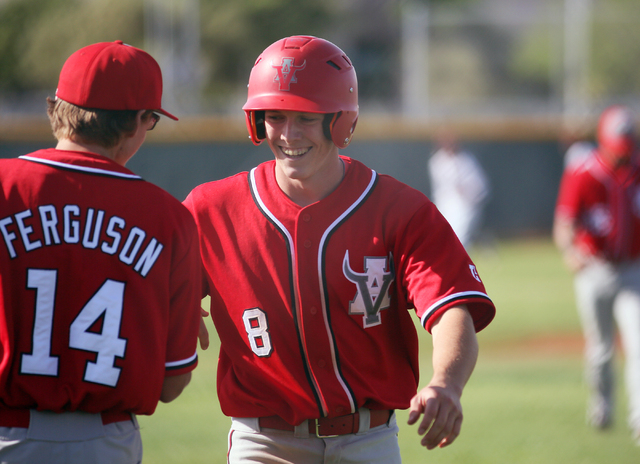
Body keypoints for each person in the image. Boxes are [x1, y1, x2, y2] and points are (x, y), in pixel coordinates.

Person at [184, 35, 496, 463]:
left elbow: (451, 311)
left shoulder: (399, 210)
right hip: (264, 442)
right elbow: (148, 285)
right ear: (256, 121)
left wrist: (446, 383)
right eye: (274, 116)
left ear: (340, 120)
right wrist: (171, 301)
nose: (288, 134)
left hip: (367, 439)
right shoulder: (211, 209)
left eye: (306, 118)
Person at [0, 40, 203, 463]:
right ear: (139, 121)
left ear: (55, 107)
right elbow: (172, 383)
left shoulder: (5, 187)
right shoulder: (169, 218)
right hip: (104, 441)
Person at [554, 105, 640, 444]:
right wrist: (570, 252)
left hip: (633, 271)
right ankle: (601, 406)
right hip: (595, 271)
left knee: (638, 345)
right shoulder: (583, 172)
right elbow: (564, 225)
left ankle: (638, 418)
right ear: (603, 141)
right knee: (601, 349)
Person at [427, 130, 490, 250]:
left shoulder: (466, 160)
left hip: (465, 206)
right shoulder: (437, 161)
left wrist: (468, 191)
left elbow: (480, 186)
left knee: (460, 239)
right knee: (444, 239)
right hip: (445, 206)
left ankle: (461, 265)